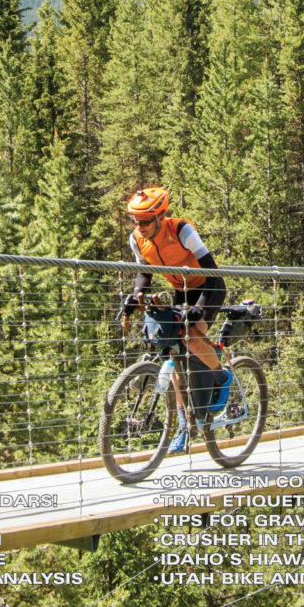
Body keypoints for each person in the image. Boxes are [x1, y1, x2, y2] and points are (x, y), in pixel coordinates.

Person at [123, 186, 232, 452]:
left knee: (193, 340)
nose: (140, 226)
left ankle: (220, 376)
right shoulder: (137, 239)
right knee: (173, 353)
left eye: (146, 221)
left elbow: (214, 274)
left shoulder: (182, 230)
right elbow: (144, 273)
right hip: (181, 290)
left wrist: (199, 309)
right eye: (135, 220)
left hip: (208, 288)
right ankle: (184, 425)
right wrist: (135, 294)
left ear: (161, 216)